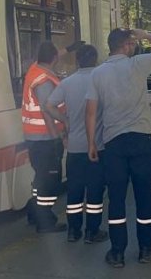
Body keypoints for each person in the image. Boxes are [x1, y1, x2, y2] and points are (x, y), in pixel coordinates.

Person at [85, 28, 151, 268]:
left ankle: (117, 253)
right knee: (143, 196)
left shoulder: (97, 74)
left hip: (113, 143)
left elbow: (91, 112)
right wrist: (146, 35)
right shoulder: (138, 64)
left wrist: (91, 143)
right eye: (132, 43)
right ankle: (146, 249)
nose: (134, 46)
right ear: (125, 45)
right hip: (140, 141)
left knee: (116, 199)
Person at [44, 45, 109, 244]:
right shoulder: (102, 81)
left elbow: (48, 105)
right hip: (97, 147)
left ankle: (73, 231)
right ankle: (92, 231)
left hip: (74, 147)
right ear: (96, 59)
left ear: (78, 61)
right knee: (95, 192)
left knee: (74, 191)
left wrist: (65, 120)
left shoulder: (67, 83)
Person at [22, 41, 67, 233]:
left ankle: (34, 212)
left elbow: (54, 54)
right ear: (54, 58)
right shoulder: (44, 80)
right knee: (50, 181)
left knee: (40, 178)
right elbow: (48, 111)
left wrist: (69, 48)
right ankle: (45, 221)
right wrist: (57, 137)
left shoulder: (34, 69)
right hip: (46, 139)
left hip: (33, 138)